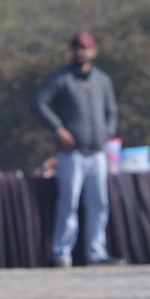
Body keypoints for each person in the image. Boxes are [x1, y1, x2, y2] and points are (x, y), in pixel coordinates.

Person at [33, 29, 119, 267]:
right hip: (72, 153)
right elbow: (38, 102)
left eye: (86, 47)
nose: (81, 52)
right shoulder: (61, 78)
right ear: (71, 50)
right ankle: (61, 253)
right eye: (77, 47)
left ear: (94, 51)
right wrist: (58, 128)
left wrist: (106, 133)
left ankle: (96, 252)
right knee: (68, 204)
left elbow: (111, 111)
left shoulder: (102, 80)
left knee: (99, 204)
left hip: (97, 153)